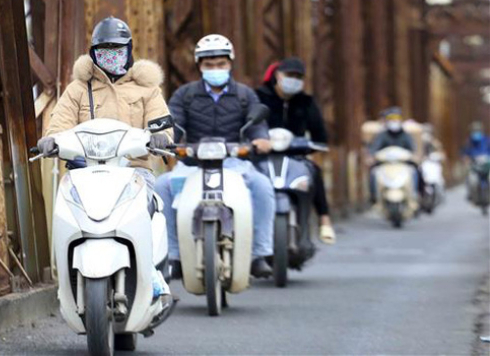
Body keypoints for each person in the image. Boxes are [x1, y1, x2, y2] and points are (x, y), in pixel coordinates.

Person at [37, 16, 172, 298]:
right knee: (68, 212)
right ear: (93, 52)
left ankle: (151, 272)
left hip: (134, 171)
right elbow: (59, 124)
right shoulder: (78, 89)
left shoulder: (147, 89)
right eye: (104, 50)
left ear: (129, 50)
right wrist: (51, 140)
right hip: (85, 173)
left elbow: (161, 122)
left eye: (117, 49)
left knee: (146, 210)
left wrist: (161, 136)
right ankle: (69, 273)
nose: (111, 55)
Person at [154, 34, 276, 279]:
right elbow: (173, 122)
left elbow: (256, 125)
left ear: (230, 63)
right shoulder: (185, 94)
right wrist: (166, 138)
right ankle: (174, 256)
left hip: (234, 162)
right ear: (199, 66)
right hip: (193, 163)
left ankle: (259, 254)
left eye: (221, 64)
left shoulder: (245, 95)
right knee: (162, 186)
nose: (215, 69)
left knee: (263, 186)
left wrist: (261, 139)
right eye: (209, 65)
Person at [256, 58, 336, 244]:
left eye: (298, 77)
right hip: (262, 155)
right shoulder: (259, 97)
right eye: (289, 75)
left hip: (295, 156)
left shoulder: (306, 102)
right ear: (278, 75)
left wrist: (311, 145)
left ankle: (324, 219)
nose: (294, 80)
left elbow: (320, 135)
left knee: (313, 171)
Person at [367, 107, 417, 203]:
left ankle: (414, 195)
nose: (394, 121)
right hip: (386, 165)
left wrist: (413, 157)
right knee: (374, 173)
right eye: (391, 118)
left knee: (414, 171)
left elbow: (412, 149)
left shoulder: (405, 135)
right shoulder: (382, 135)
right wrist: (372, 157)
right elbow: (374, 148)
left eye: (396, 118)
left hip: (402, 164)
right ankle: (374, 198)